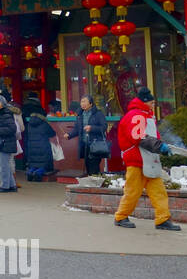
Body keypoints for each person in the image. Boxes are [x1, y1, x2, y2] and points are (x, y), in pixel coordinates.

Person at [114, 87, 179, 231]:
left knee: (158, 192)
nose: (153, 105)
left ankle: (163, 219)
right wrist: (160, 147)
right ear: (144, 102)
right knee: (133, 191)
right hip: (138, 159)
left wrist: (161, 148)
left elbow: (144, 137)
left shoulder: (142, 116)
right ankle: (121, 216)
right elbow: (138, 137)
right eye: (151, 102)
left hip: (147, 159)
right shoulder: (137, 115)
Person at [64, 95, 108, 175]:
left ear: (91, 104)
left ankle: (95, 184)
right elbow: (77, 129)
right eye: (81, 101)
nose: (82, 103)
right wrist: (69, 135)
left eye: (85, 101)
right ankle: (91, 184)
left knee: (94, 167)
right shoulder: (80, 115)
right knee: (88, 166)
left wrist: (92, 128)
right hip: (84, 145)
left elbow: (104, 127)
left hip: (95, 144)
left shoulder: (98, 114)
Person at [23, 100, 57, 182]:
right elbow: (52, 133)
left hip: (31, 148)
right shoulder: (44, 124)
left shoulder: (29, 124)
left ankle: (30, 172)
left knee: (34, 164)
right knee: (43, 165)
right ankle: (38, 173)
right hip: (43, 147)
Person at [0, 95, 19, 193]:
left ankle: (5, 186)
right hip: (4, 142)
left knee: (3, 165)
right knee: (4, 164)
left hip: (6, 142)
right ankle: (12, 185)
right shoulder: (1, 114)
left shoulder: (5, 114)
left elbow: (12, 129)